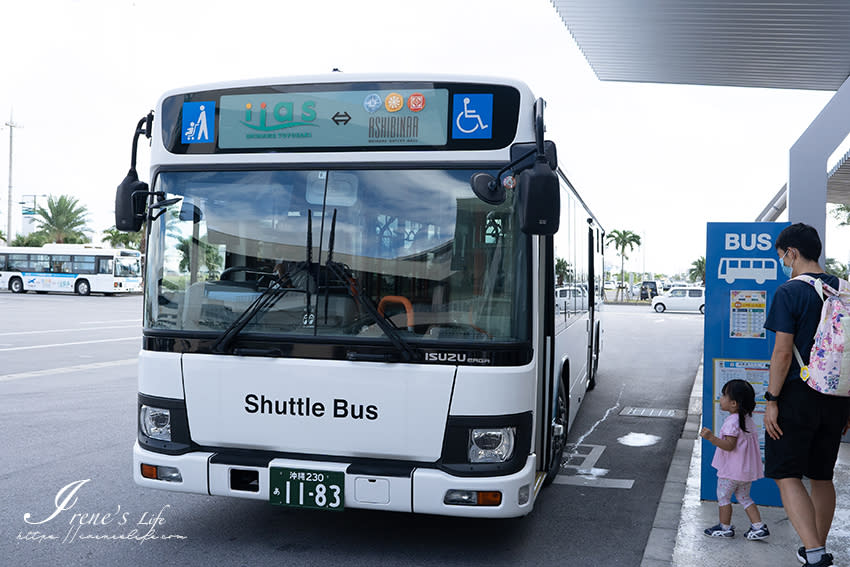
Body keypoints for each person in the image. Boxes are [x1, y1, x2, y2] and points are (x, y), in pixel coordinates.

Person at [763, 222, 850, 567]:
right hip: (838, 396)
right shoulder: (844, 290)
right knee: (821, 475)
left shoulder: (790, 292)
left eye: (782, 256)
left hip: (798, 395)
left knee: (787, 474)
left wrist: (771, 400)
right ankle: (816, 546)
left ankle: (814, 553)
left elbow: (783, 353)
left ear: (792, 253)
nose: (783, 262)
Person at [700, 379, 769, 540]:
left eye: (724, 395)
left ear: (733, 404)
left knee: (723, 497)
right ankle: (758, 526)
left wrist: (711, 438)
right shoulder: (748, 420)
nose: (720, 398)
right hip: (745, 471)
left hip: (731, 471)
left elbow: (729, 445)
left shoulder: (732, 421)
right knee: (744, 498)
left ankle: (725, 527)